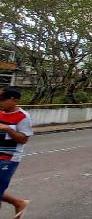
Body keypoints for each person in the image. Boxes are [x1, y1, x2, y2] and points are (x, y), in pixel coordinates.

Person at [0, 88, 31, 218]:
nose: (0, 102)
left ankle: (19, 203)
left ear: (14, 100)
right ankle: (18, 203)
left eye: (2, 99)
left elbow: (24, 139)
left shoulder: (23, 117)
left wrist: (8, 129)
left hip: (8, 158)